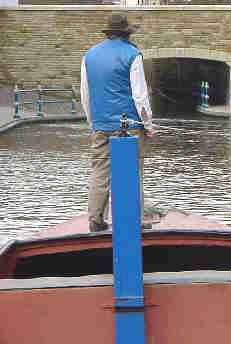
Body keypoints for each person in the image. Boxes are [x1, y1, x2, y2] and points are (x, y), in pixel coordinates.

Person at [80, 12, 155, 232]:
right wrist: (148, 125)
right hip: (129, 126)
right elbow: (140, 96)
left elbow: (86, 93)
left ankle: (95, 219)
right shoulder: (133, 54)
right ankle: (134, 219)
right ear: (127, 33)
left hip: (101, 125)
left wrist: (93, 121)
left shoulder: (89, 55)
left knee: (99, 171)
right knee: (132, 172)